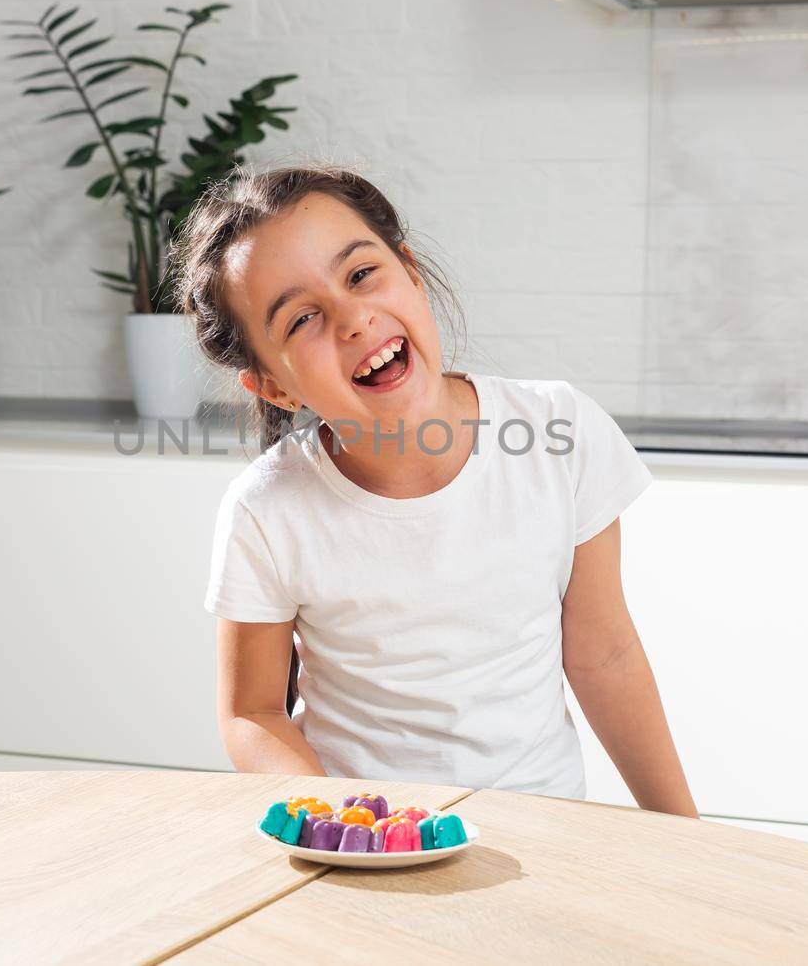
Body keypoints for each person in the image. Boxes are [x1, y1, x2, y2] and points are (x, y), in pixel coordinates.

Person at [172, 163, 697, 816]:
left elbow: (605, 654)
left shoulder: (558, 432)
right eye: (302, 317)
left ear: (411, 271)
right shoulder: (268, 509)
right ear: (275, 386)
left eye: (362, 274)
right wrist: (341, 824)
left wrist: (687, 833)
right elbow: (252, 712)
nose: (354, 317)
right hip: (368, 846)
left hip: (550, 832)